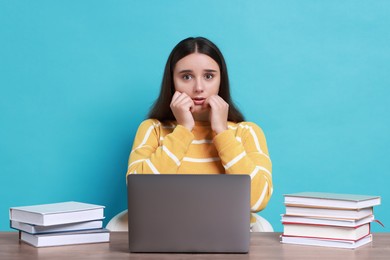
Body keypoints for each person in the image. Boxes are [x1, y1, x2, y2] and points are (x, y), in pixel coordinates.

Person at [126, 37, 272, 231]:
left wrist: (222, 132)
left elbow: (257, 200)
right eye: (186, 77)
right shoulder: (152, 129)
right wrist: (184, 129)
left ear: (221, 80)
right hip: (162, 235)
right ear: (172, 82)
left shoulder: (247, 132)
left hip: (230, 238)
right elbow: (139, 196)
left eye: (209, 76)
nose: (199, 88)